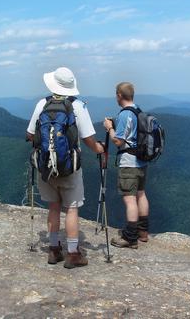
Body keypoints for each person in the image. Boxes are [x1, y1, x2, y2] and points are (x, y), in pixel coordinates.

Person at [26, 67, 105, 269]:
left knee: (53, 206)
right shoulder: (77, 106)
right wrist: (100, 149)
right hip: (70, 166)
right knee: (71, 208)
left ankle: (53, 250)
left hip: (46, 166)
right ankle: (72, 254)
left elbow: (30, 134)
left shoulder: (42, 104)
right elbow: (88, 139)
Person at [103, 82, 150, 249]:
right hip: (142, 161)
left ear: (119, 95)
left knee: (130, 200)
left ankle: (130, 238)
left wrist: (109, 128)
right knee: (141, 195)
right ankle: (143, 233)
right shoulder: (138, 111)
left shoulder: (124, 115)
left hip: (129, 163)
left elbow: (118, 141)